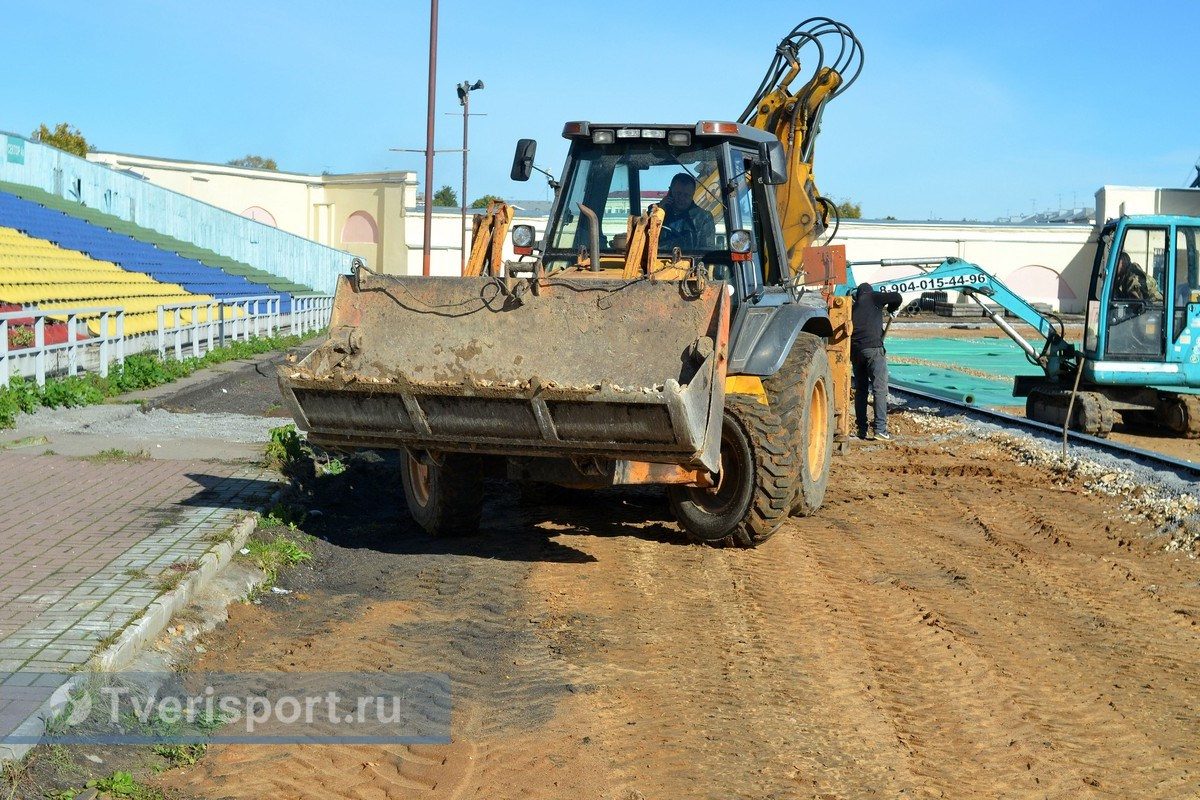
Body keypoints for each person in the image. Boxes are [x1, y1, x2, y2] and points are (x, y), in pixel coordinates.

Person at [851, 282, 903, 440]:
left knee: (861, 391)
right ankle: (880, 429)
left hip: (855, 352)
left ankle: (862, 430)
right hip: (873, 350)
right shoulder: (873, 297)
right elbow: (897, 297)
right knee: (879, 389)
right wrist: (892, 308)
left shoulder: (853, 308)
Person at [658, 173, 716, 250]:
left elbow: (706, 251)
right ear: (670, 192)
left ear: (692, 195)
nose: (681, 198)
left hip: (691, 261)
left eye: (686, 195)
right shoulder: (656, 212)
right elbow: (643, 240)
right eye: (678, 193)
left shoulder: (703, 218)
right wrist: (659, 212)